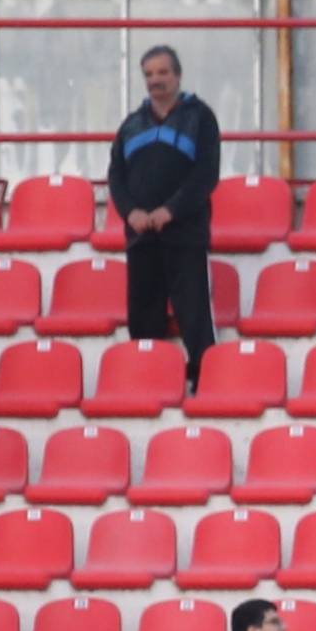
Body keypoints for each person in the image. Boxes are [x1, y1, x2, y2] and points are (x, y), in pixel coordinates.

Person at [108, 44, 219, 392]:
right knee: (143, 314)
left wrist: (171, 210)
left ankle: (206, 382)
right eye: (149, 74)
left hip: (185, 233)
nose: (155, 80)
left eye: (162, 73)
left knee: (194, 312)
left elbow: (206, 174)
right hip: (142, 236)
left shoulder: (200, 117)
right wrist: (132, 212)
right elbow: (116, 177)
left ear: (178, 75)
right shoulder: (130, 124)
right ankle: (147, 383)